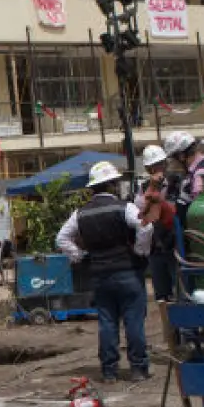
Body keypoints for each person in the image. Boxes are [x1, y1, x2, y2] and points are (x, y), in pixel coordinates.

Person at [57, 161, 155, 382]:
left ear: (93, 188)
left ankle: (109, 371)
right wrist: (141, 251)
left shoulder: (79, 214)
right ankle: (138, 369)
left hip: (100, 275)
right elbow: (146, 226)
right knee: (134, 322)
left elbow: (61, 238)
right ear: (112, 184)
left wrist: (80, 256)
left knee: (107, 323)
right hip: (128, 272)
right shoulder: (124, 207)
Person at [136, 145, 177, 302]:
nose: (157, 169)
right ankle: (169, 325)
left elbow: (175, 210)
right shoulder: (143, 187)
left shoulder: (175, 182)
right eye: (153, 166)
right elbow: (139, 212)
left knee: (179, 289)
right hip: (155, 247)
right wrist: (152, 188)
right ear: (147, 168)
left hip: (173, 244)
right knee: (161, 294)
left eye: (160, 164)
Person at [163, 131, 204, 223]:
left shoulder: (199, 177)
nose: (172, 164)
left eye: (172, 159)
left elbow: (203, 215)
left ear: (181, 156)